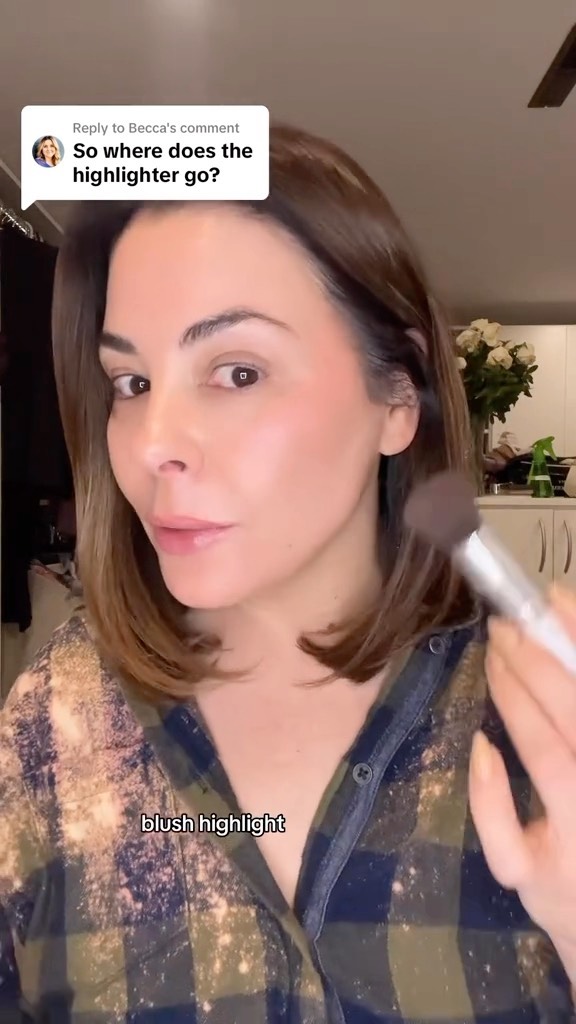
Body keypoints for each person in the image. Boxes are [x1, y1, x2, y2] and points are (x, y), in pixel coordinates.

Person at [1, 124, 575, 1023]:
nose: (151, 446)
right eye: (131, 383)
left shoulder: (538, 711)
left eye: (237, 371)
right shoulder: (51, 720)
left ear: (398, 395)